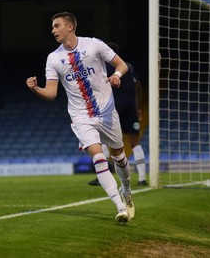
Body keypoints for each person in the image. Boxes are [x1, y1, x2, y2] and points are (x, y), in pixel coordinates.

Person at [26, 12, 134, 224]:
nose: (53, 30)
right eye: (52, 27)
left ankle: (127, 191)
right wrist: (35, 89)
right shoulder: (54, 58)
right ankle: (120, 206)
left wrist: (116, 76)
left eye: (56, 26)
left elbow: (122, 65)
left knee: (119, 156)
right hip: (80, 116)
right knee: (98, 157)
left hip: (107, 111)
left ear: (70, 27)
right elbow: (51, 93)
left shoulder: (94, 45)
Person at [88, 42, 147, 187]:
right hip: (130, 108)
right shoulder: (128, 67)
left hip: (112, 108)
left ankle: (103, 176)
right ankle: (142, 179)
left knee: (102, 140)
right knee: (135, 142)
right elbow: (138, 88)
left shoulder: (103, 68)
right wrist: (138, 107)